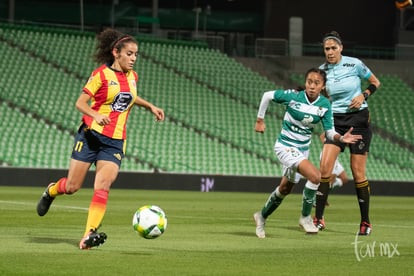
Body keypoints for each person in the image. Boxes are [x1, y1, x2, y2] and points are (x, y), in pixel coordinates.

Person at [36, 28, 165, 249]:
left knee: (103, 185)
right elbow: (80, 103)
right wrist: (95, 114)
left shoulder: (133, 77)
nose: (134, 58)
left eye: (136, 54)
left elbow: (129, 97)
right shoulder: (100, 75)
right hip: (90, 137)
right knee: (72, 187)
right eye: (130, 53)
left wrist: (150, 106)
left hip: (114, 142)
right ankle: (52, 190)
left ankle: (88, 235)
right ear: (116, 52)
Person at [252, 68, 362, 238]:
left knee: (285, 189)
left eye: (316, 83)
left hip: (302, 150)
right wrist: (260, 120)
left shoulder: (325, 105)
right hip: (285, 146)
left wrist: (341, 138)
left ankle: (262, 216)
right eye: (309, 81)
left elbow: (330, 132)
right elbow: (267, 95)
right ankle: (305, 217)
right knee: (316, 177)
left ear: (323, 86)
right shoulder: (294, 96)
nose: (312, 86)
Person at [314, 31, 381, 235]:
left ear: (341, 48)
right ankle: (318, 219)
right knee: (325, 169)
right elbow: (319, 98)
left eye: (334, 48)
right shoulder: (321, 71)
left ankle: (365, 222)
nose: (330, 52)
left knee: (357, 172)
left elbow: (375, 82)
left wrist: (364, 94)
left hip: (358, 119)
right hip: (334, 121)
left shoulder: (355, 64)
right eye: (327, 49)